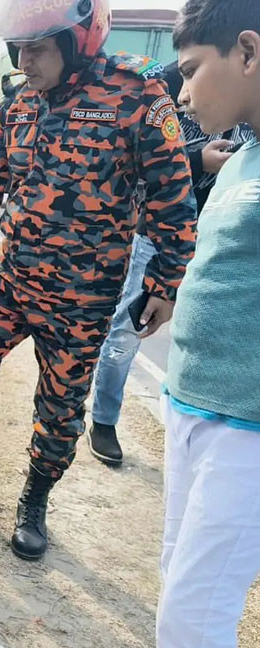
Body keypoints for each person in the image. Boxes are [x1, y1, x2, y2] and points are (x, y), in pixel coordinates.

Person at [0, 0, 197, 561]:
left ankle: (34, 500)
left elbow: (172, 195)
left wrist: (165, 283)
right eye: (18, 49)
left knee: (59, 410)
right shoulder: (16, 107)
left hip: (83, 296)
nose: (24, 62)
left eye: (38, 49)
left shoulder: (136, 96)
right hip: (12, 281)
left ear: (78, 42)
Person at [87, 60, 254, 467]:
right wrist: (198, 161)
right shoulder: (171, 79)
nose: (186, 95)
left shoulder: (248, 107)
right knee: (130, 329)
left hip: (218, 234)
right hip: (158, 236)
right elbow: (135, 160)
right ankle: (104, 419)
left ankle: (201, 430)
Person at [158, 1, 260, 645]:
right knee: (175, 581)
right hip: (189, 405)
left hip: (246, 430)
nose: (183, 93)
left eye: (192, 70)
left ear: (247, 53)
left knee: (192, 619)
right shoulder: (241, 160)